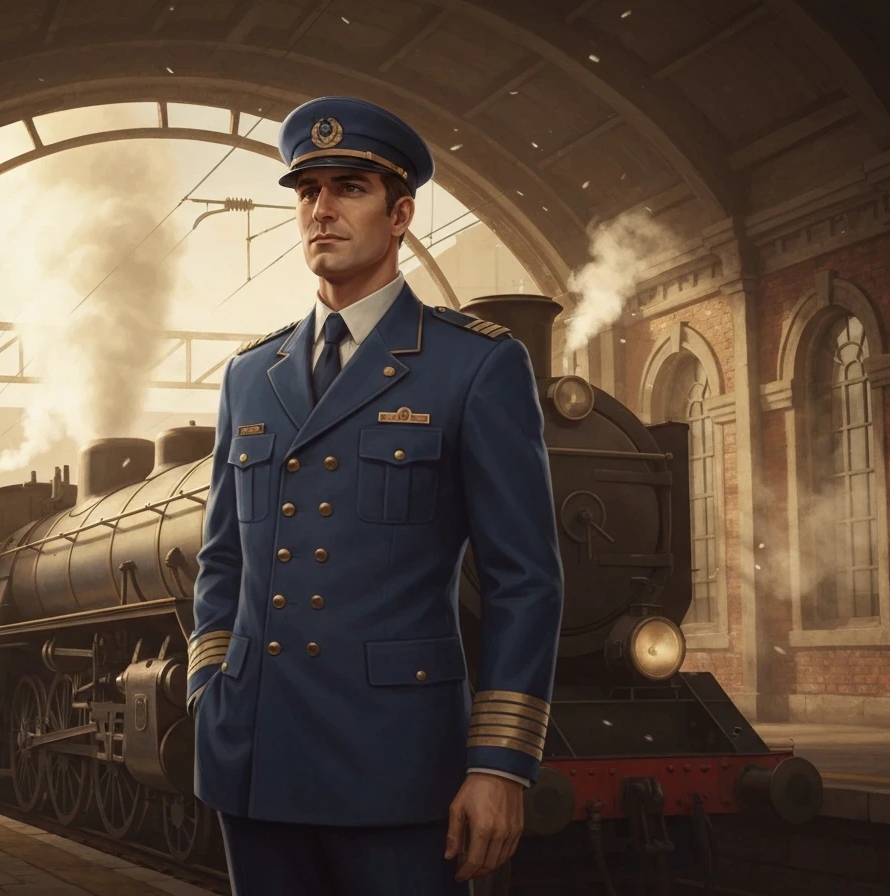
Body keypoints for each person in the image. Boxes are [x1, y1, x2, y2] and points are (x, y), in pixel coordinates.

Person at [186, 95, 564, 896]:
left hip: (396, 765)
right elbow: (222, 560)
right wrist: (208, 688)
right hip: (253, 758)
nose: (321, 209)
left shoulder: (473, 365)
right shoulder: (251, 376)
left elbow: (524, 580)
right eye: (306, 191)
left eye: (349, 187)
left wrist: (500, 763)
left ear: (400, 215)